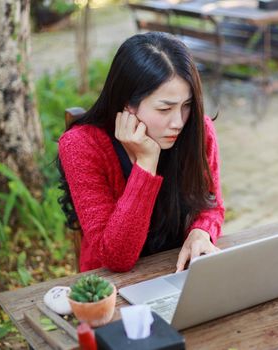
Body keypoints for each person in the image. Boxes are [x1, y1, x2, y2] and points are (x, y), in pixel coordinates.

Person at [58, 32, 224, 273]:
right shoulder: (82, 146)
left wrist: (201, 232)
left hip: (181, 273)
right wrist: (146, 163)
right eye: (164, 108)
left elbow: (212, 204)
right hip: (113, 289)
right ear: (128, 104)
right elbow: (116, 258)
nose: (178, 121)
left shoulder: (198, 130)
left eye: (187, 105)